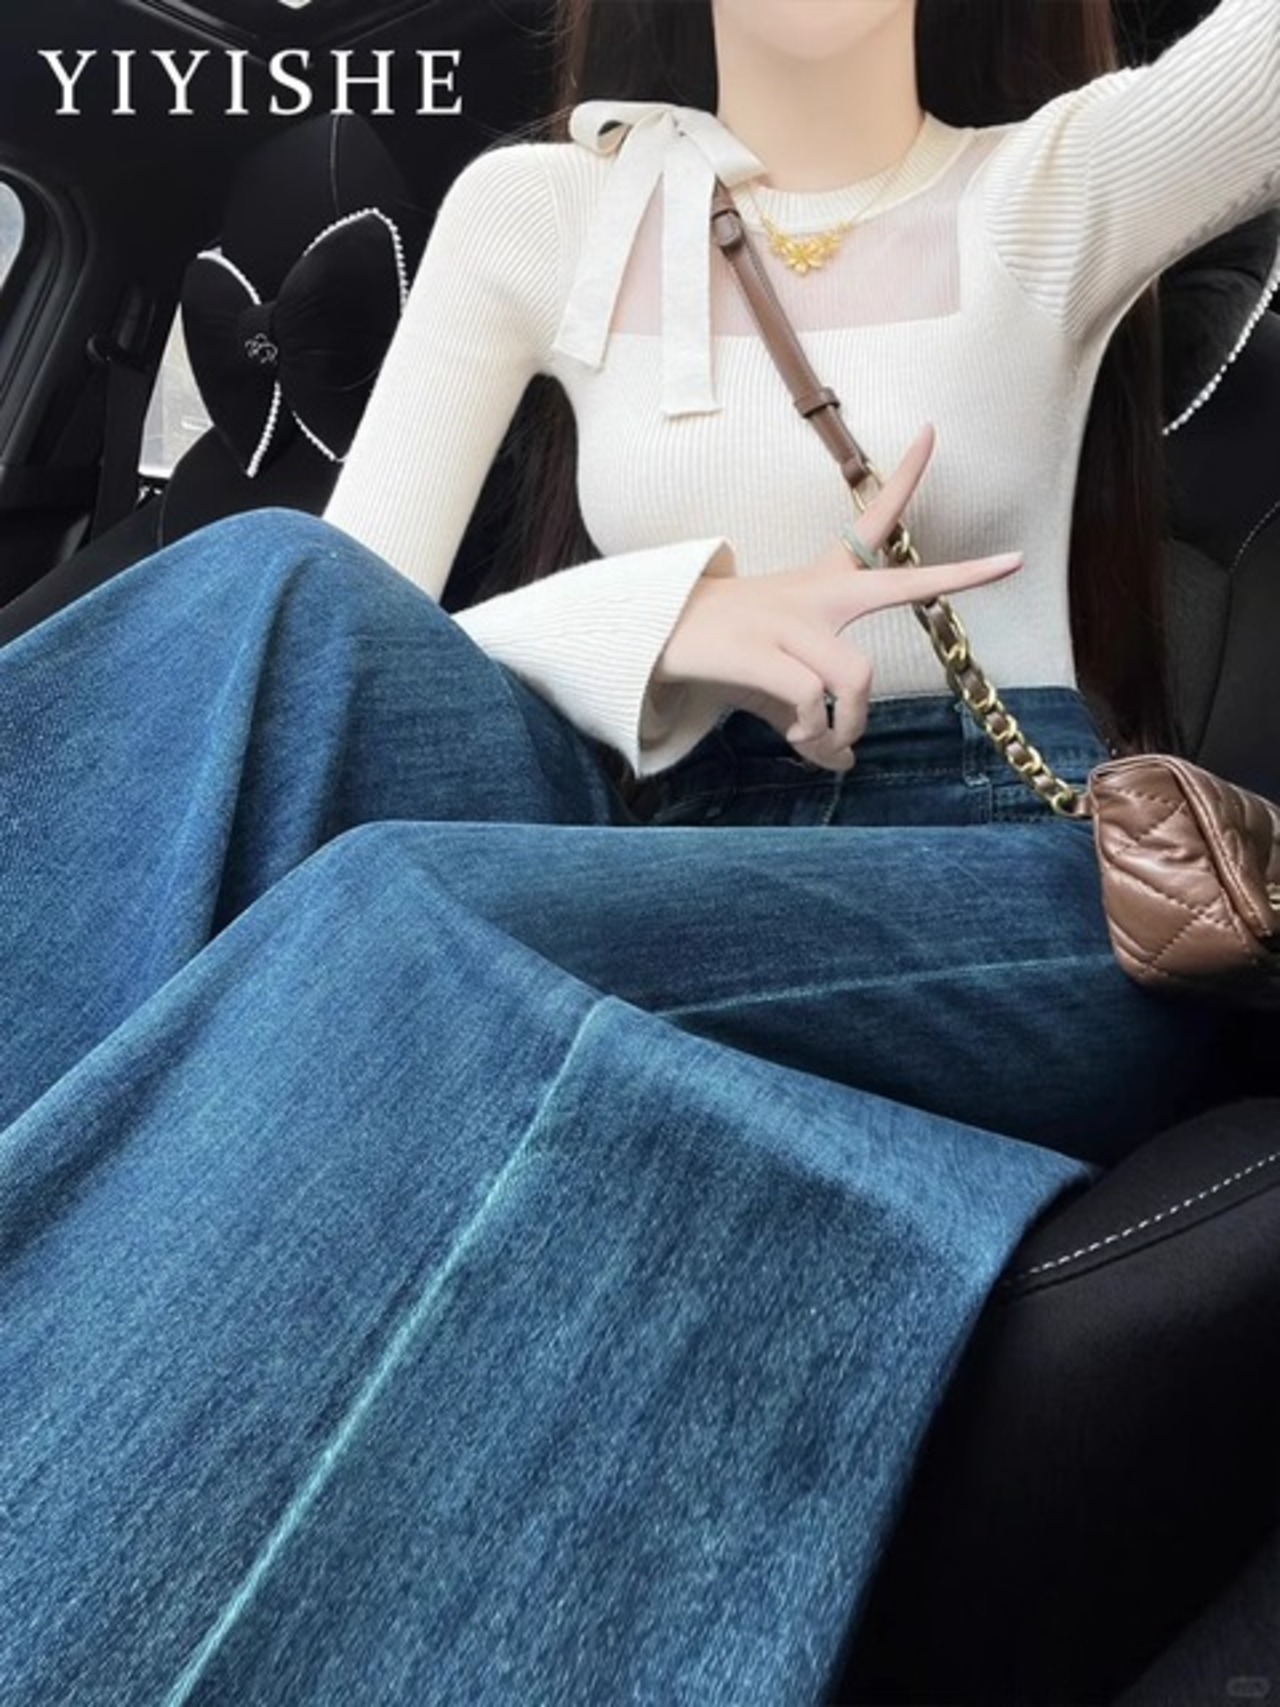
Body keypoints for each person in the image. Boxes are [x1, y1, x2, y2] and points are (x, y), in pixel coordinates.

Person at [0, 1, 1276, 1701]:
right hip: (651, 836)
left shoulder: (1065, 177)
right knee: (267, 587)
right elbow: (368, 624)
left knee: (392, 919)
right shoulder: (541, 208)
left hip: (991, 866)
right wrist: (663, 622)